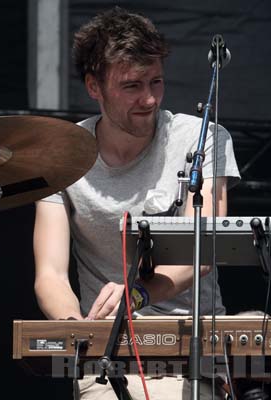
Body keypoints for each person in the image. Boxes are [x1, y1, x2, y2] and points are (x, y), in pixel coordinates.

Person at [33, 7, 240, 399]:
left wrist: (138, 293)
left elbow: (206, 249)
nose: (148, 98)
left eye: (156, 81)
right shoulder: (60, 156)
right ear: (94, 87)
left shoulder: (201, 139)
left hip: (193, 348)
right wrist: (83, 334)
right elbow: (51, 275)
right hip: (108, 355)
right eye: (131, 86)